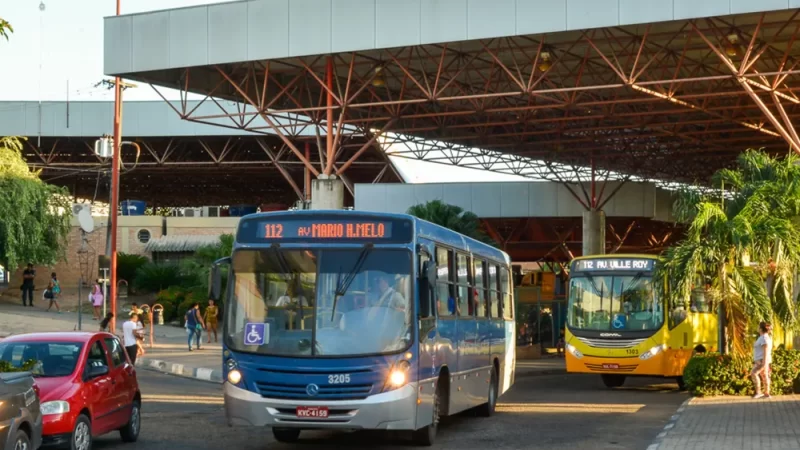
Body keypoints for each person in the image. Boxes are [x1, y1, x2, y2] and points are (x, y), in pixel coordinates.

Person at [751, 321, 773, 399]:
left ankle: (759, 392)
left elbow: (765, 349)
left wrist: (764, 362)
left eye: (758, 327)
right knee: (764, 376)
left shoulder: (764, 338)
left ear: (760, 329)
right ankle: (767, 393)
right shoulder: (763, 337)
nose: (757, 328)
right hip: (762, 360)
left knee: (754, 373)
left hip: (761, 360)